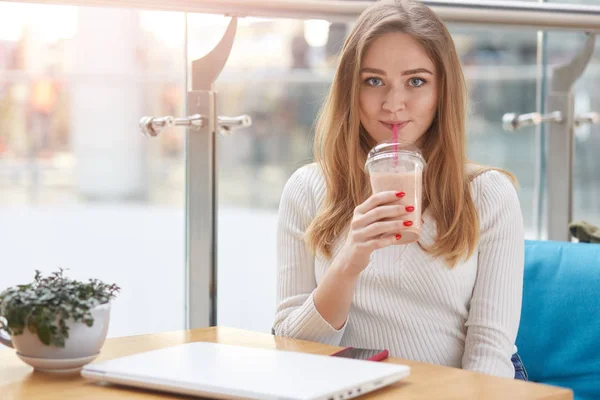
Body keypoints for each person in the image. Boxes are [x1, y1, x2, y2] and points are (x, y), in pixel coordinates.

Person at [273, 0, 528, 380]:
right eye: (373, 81)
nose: (393, 104)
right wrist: (348, 262)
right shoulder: (307, 190)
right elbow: (289, 348)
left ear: (443, 90)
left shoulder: (488, 195)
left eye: (416, 81)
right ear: (350, 89)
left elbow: (490, 356)